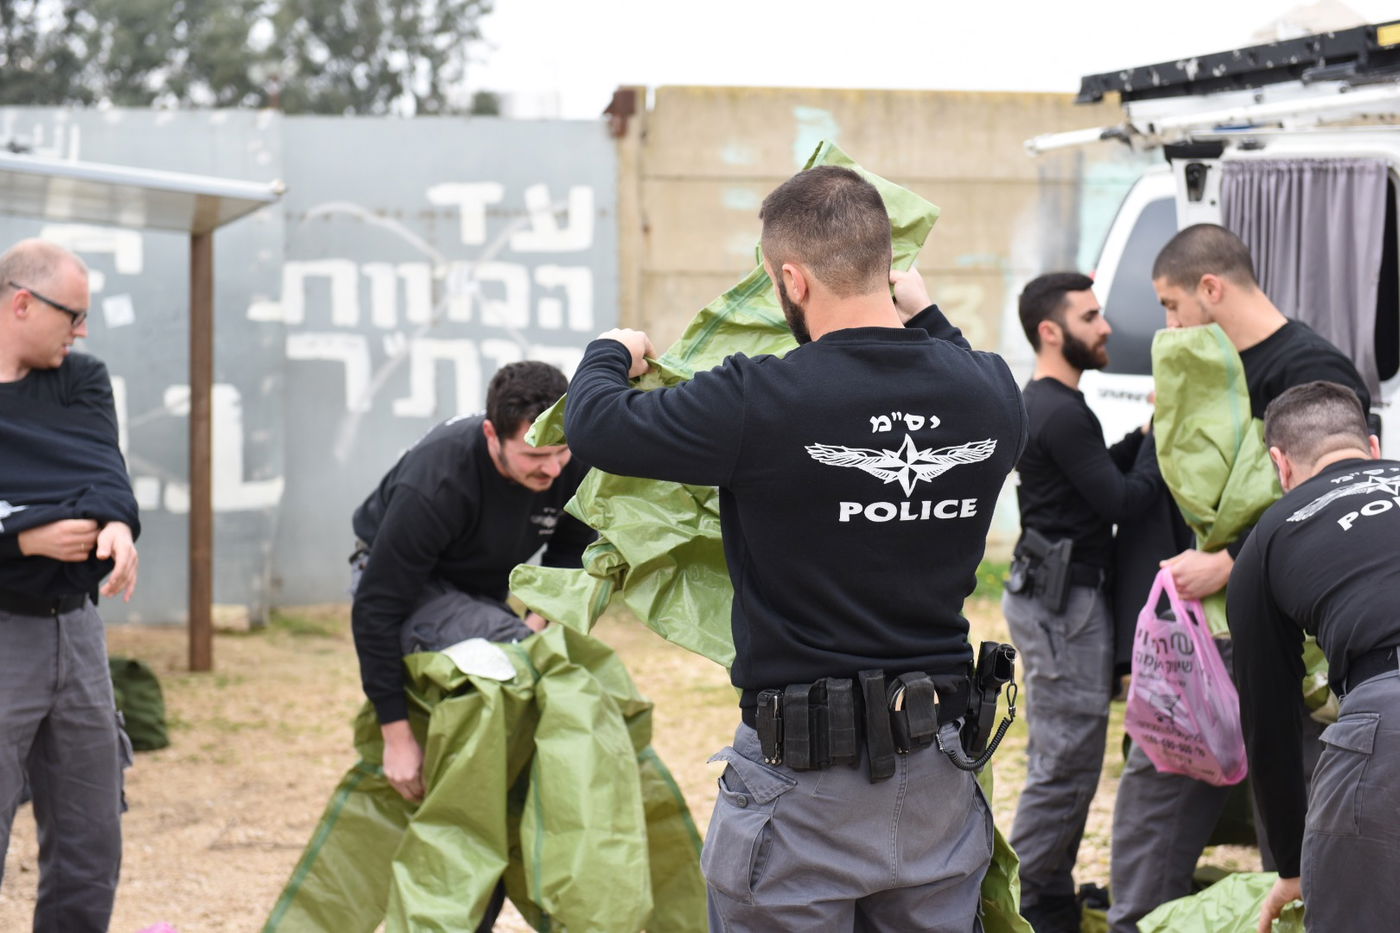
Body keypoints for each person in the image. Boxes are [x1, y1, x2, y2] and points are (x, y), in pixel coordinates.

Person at [563, 165, 1026, 930]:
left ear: (791, 278)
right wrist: (932, 315)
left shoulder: (761, 399)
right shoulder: (990, 392)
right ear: (887, 264)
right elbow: (961, 365)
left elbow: (597, 426)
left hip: (803, 787)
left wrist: (609, 351)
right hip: (940, 776)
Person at [1107, 224, 1371, 932]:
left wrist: (1229, 562)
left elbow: (1325, 493)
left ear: (1211, 289)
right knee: (1167, 769)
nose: (1169, 324)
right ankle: (1138, 919)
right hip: (1206, 627)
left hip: (1290, 627)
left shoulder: (1311, 370)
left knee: (1302, 786)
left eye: (1171, 304)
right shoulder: (1207, 369)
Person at [348, 360, 593, 926]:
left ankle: (484, 874)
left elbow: (571, 552)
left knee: (526, 671)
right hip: (403, 584)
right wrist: (395, 737)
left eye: (560, 453)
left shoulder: (567, 457)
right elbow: (377, 606)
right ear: (492, 436)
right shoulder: (436, 480)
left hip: (483, 595)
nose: (553, 469)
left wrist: (536, 624)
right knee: (509, 666)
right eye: (535, 457)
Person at [1004, 273, 1161, 932]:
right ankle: (1038, 903)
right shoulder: (1061, 412)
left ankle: (1045, 890)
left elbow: (1097, 469)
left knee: (1062, 756)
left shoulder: (1050, 405)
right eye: (1092, 317)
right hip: (1064, 605)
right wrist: (1164, 436)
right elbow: (1124, 499)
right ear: (1051, 330)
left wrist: (1147, 431)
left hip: (1052, 598)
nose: (1106, 327)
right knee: (1065, 763)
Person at [0, 240, 140, 933]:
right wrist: (22, 538)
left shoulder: (80, 380)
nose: (81, 331)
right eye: (73, 315)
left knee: (91, 836)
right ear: (21, 302)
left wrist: (115, 522)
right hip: (4, 630)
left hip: (76, 627)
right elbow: (65, 486)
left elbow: (100, 467)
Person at [1229, 380, 1400, 933]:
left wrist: (1290, 864)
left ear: (1281, 466)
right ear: (1373, 446)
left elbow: (1268, 714)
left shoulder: (1270, 536)